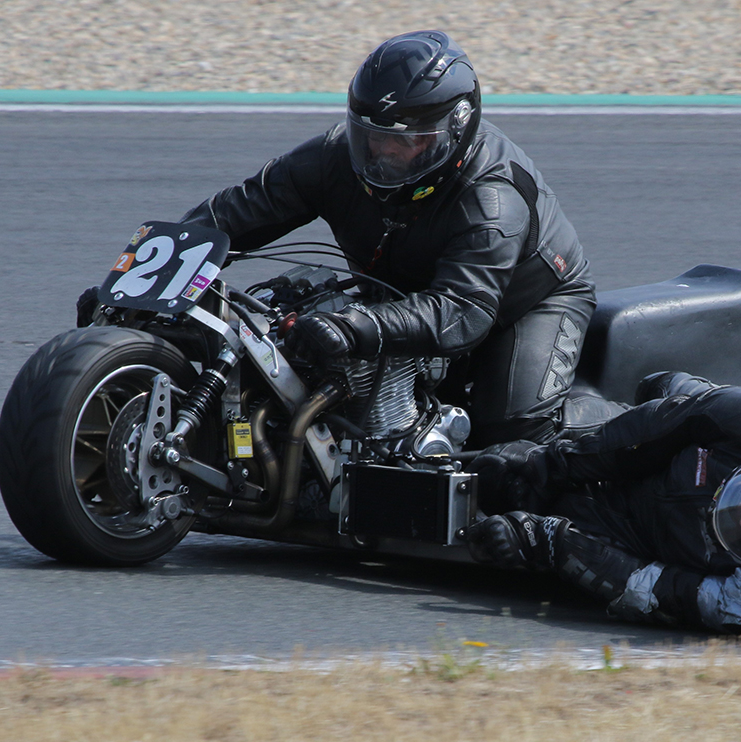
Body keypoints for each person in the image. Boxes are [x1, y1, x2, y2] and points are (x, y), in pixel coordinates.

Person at [176, 30, 595, 447]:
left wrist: (357, 325)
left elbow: (463, 309)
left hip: (521, 303)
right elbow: (240, 208)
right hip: (404, 294)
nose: (383, 152)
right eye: (373, 135)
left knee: (511, 435)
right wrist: (153, 270)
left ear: (456, 131)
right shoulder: (334, 157)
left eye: (406, 139)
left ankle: (621, 423)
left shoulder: (492, 197)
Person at [464, 372, 741, 637]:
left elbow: (657, 589)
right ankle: (692, 384)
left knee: (501, 514)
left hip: (638, 541)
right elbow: (654, 430)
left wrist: (545, 540)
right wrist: (552, 466)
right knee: (511, 456)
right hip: (647, 460)